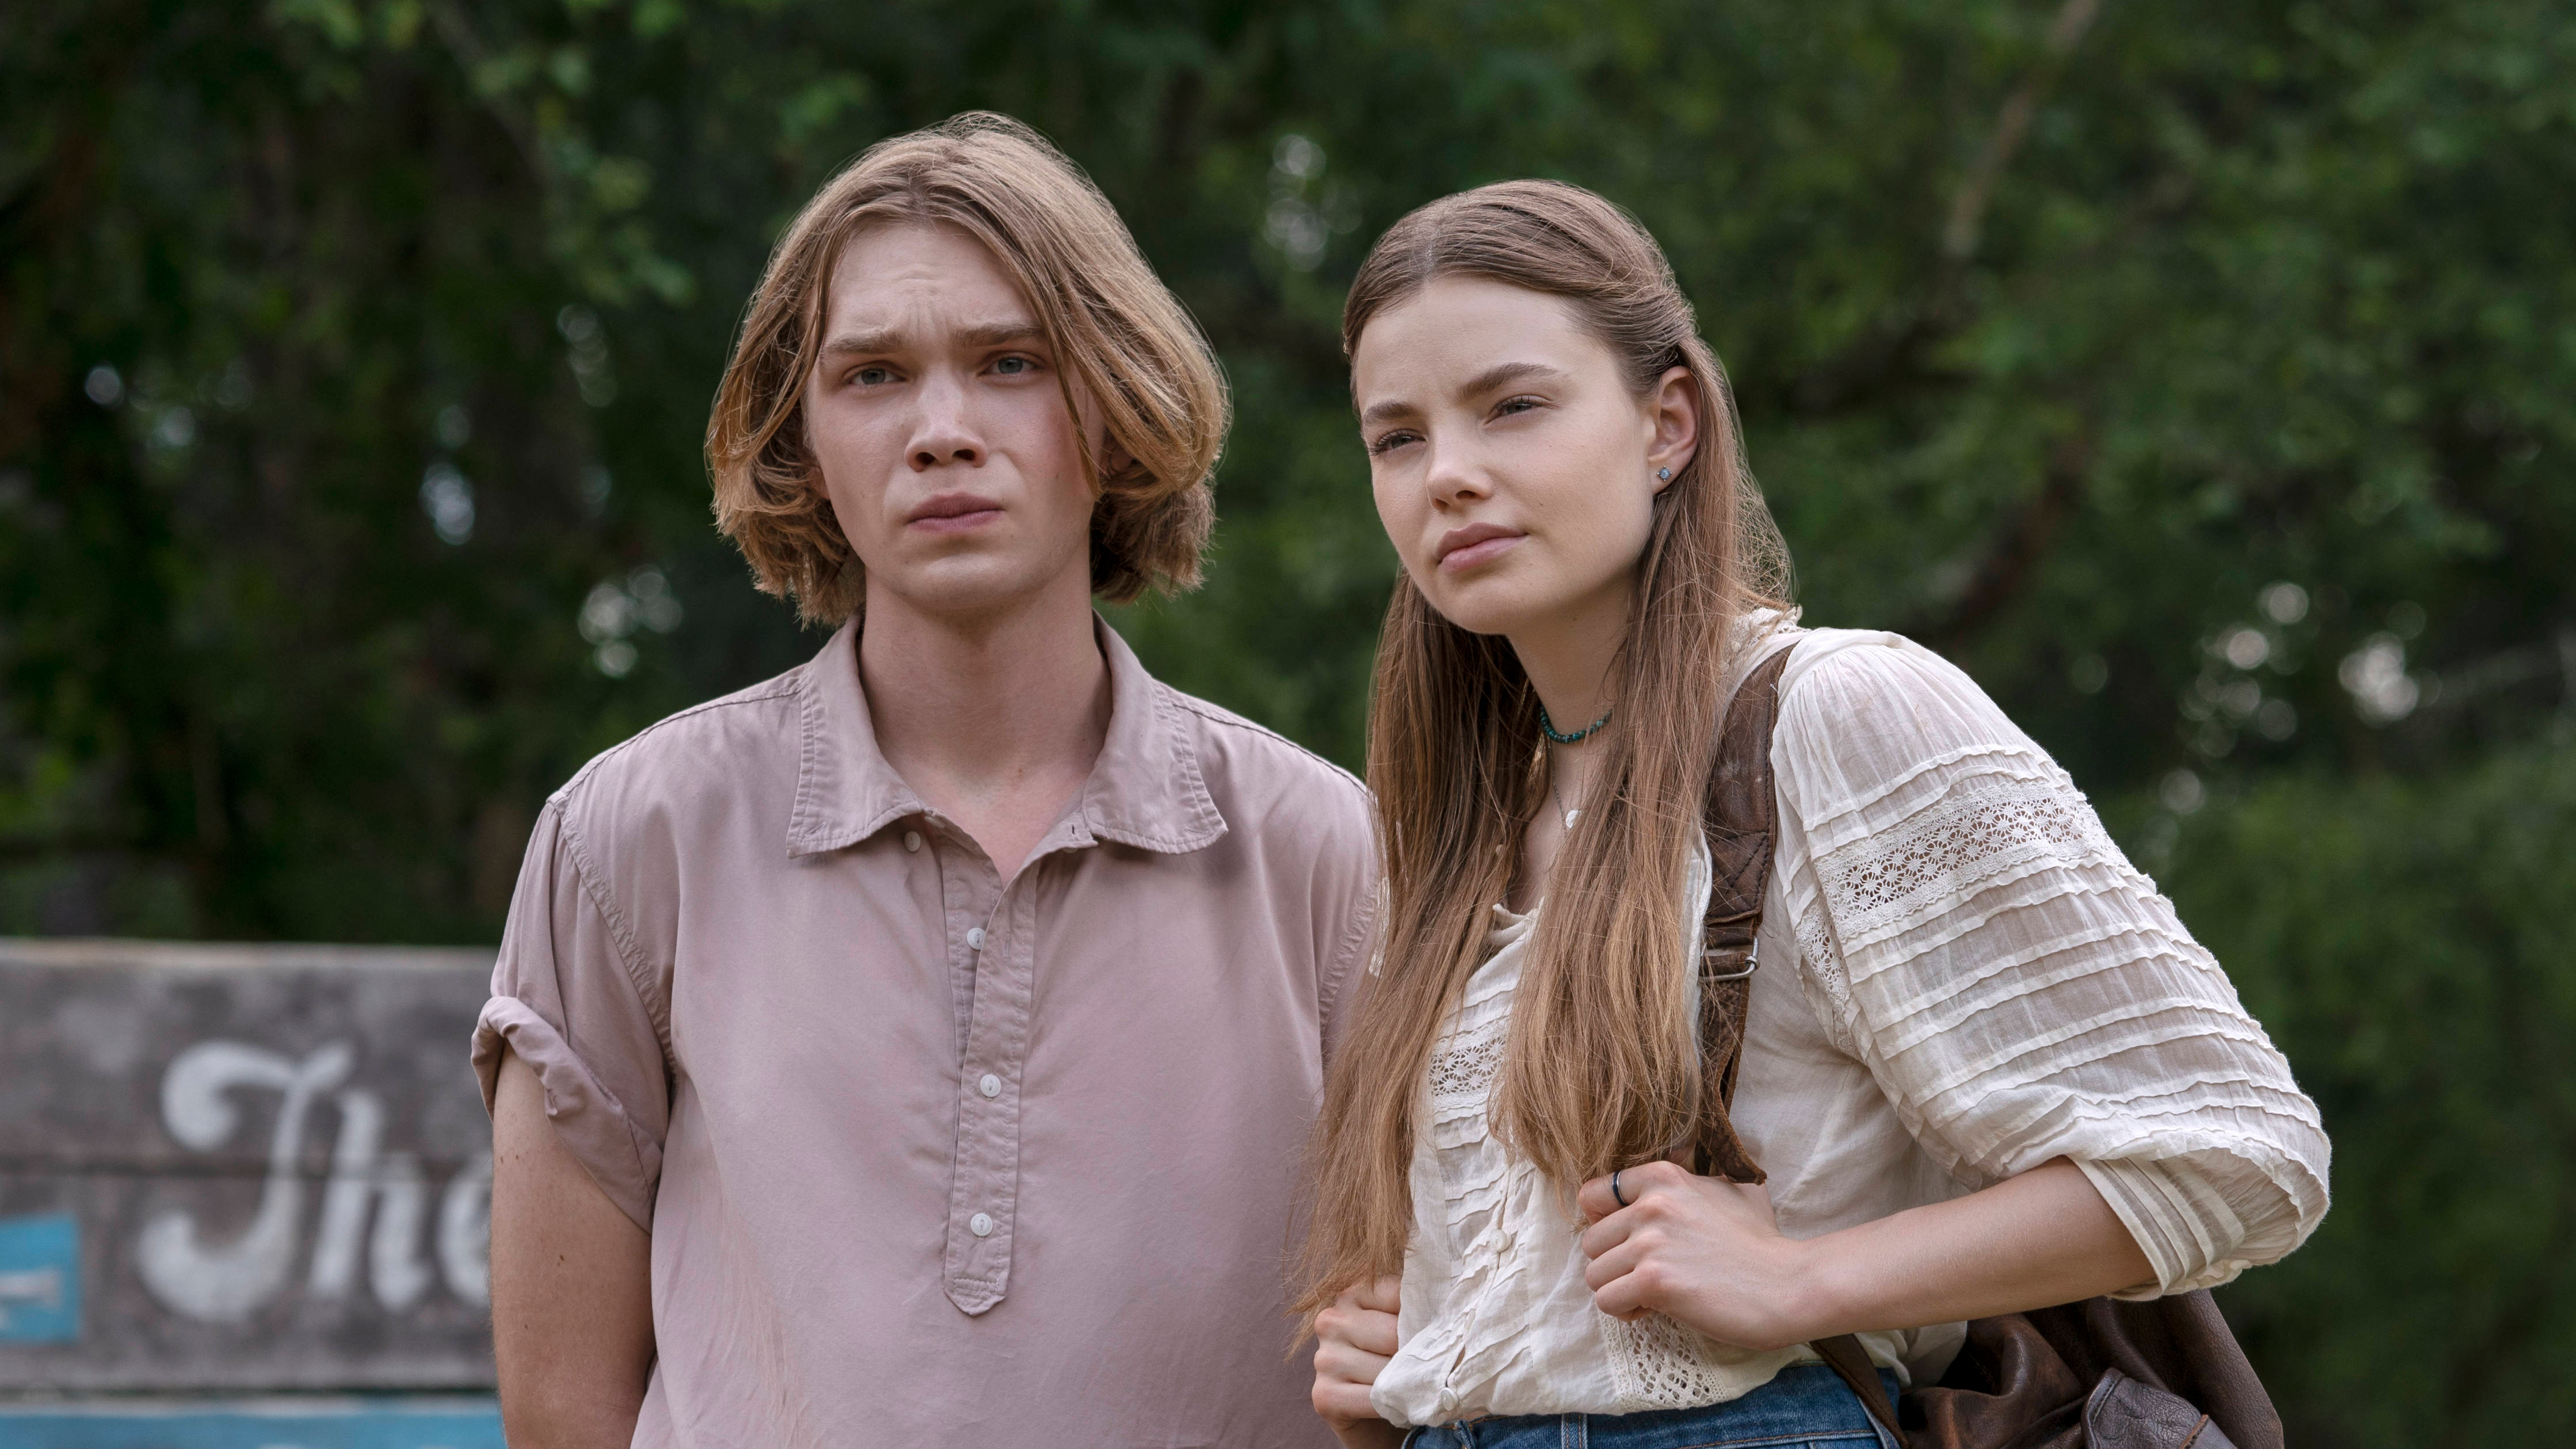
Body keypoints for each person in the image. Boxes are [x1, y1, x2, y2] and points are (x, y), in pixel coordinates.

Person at [1300, 180, 2330, 1448]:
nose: (1448, 475)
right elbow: (1567, 1309)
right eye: (1396, 439)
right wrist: (1432, 1356)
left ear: (1666, 423)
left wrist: (1806, 1280)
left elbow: (2234, 1154)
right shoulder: (1450, 832)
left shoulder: (1832, 716)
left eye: (1512, 406)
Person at [475, 113, 1375, 1448]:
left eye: (1009, 362)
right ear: (804, 440)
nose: (942, 431)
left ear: (1113, 403)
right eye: (874, 375)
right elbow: (561, 1411)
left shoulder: (1323, 849)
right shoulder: (633, 836)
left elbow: (1408, 1350)